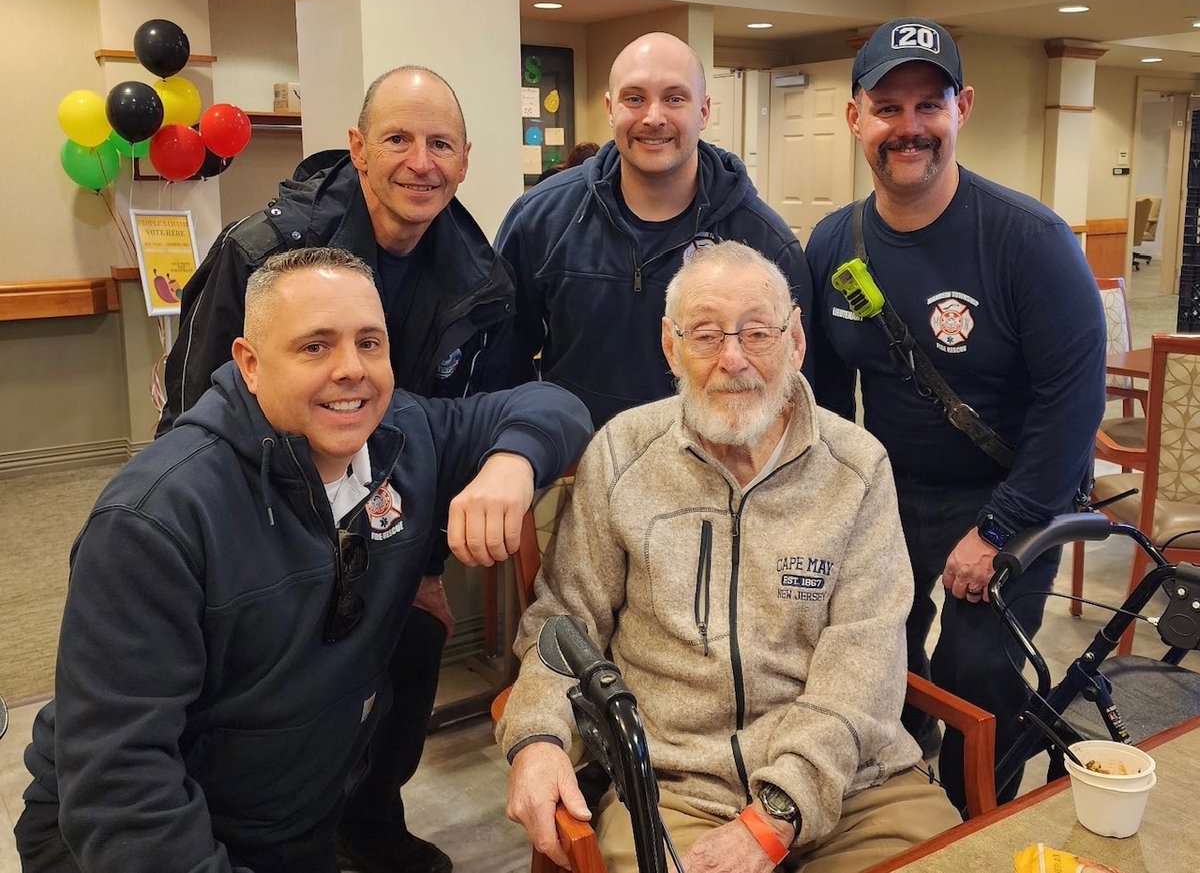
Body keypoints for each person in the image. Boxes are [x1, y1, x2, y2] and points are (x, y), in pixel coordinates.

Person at [15, 248, 591, 873]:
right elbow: (119, 787)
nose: (352, 371)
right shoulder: (154, 520)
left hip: (292, 826)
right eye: (315, 347)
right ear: (250, 364)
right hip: (133, 843)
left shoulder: (404, 436)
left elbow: (556, 406)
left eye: (370, 343)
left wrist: (514, 462)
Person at [499, 242, 961, 873]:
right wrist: (539, 735)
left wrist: (778, 813)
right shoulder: (623, 453)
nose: (733, 360)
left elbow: (867, 655)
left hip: (853, 782)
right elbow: (562, 622)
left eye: (758, 333)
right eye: (707, 335)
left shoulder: (856, 467)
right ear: (671, 346)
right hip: (676, 787)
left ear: (797, 339)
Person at [157, 66, 516, 873]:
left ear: (464, 162)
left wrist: (426, 561)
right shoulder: (260, 251)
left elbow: (476, 421)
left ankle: (368, 820)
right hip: (262, 521)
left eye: (440, 144)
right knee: (254, 701)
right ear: (357, 148)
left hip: (390, 527)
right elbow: (189, 419)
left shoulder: (480, 278)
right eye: (397, 138)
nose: (419, 161)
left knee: (410, 654)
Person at [804, 18, 1106, 809]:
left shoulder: (1028, 239)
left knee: (977, 667)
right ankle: (897, 790)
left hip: (1018, 493)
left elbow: (1073, 405)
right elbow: (827, 396)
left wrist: (998, 529)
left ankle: (982, 813)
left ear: (961, 108)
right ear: (855, 117)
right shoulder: (834, 243)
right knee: (872, 648)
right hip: (893, 490)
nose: (909, 128)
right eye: (888, 107)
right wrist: (832, 504)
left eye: (928, 105)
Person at [494, 32, 813, 430]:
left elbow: (794, 388)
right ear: (610, 109)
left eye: (675, 98)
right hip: (575, 464)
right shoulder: (541, 218)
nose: (653, 117)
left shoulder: (764, 242)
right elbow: (499, 363)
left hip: (713, 474)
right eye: (634, 98)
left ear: (704, 111)